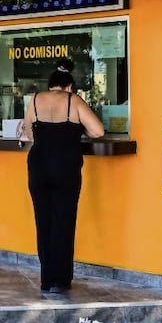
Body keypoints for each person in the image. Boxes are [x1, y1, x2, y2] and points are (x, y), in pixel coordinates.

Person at [22, 58, 104, 295]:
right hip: (65, 167)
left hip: (38, 165)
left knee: (43, 220)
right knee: (64, 222)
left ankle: (46, 279)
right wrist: (79, 129)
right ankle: (61, 280)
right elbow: (98, 131)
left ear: (51, 84)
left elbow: (29, 132)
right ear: (69, 86)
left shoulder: (35, 99)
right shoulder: (73, 100)